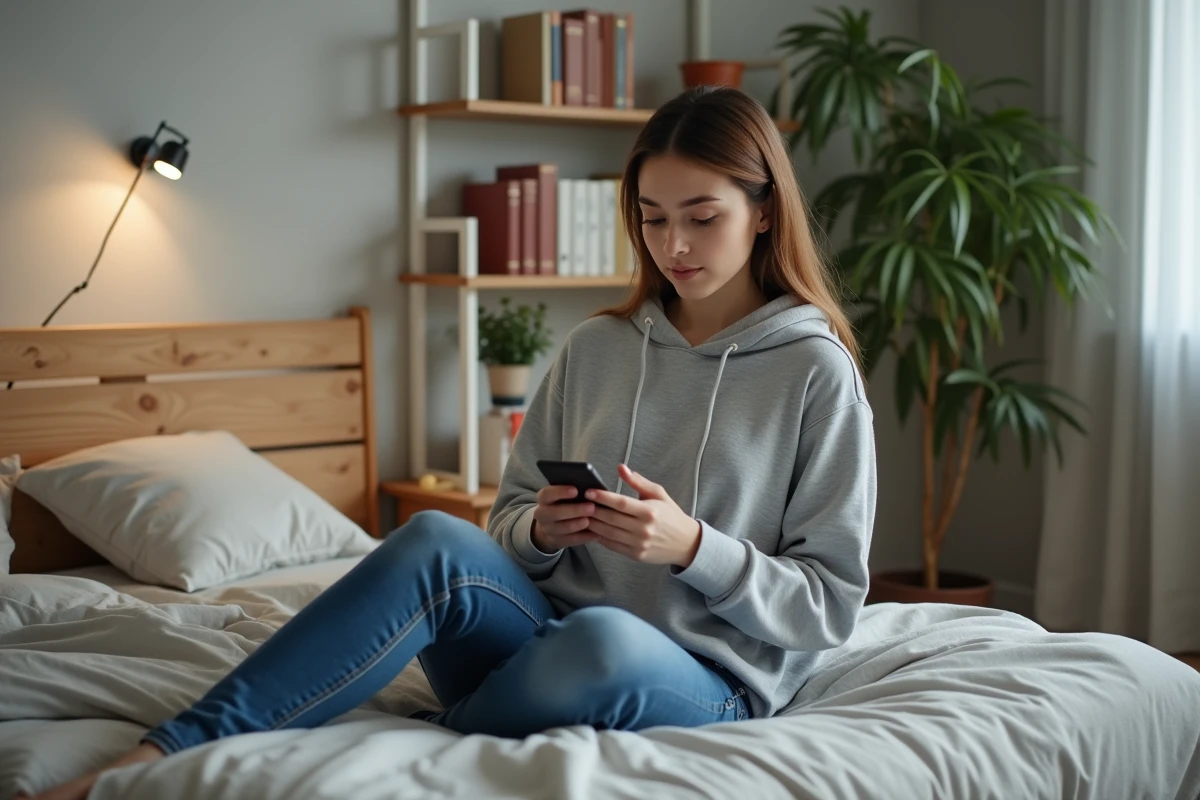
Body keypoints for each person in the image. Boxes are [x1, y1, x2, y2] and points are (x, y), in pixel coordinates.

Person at [25, 85, 877, 800]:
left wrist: (692, 547)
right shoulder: (598, 347)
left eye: (703, 216)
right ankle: (162, 756)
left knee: (603, 639)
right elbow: (506, 517)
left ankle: (432, 739)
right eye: (652, 219)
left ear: (764, 212)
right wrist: (541, 532)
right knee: (435, 538)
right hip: (538, 642)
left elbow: (830, 604)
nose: (674, 245)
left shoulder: (814, 370)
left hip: (702, 679)